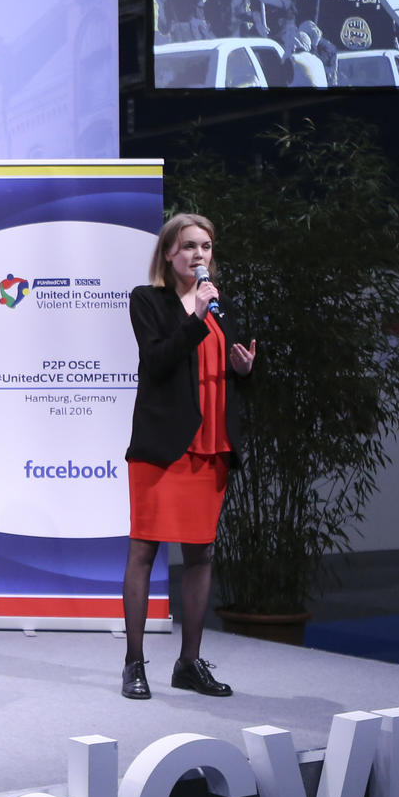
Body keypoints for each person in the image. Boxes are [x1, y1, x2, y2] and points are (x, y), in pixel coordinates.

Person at [120, 214, 256, 701]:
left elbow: (226, 371)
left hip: (212, 445)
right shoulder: (148, 300)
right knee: (144, 551)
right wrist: (195, 318)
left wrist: (245, 370)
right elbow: (157, 361)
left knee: (201, 554)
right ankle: (134, 664)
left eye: (206, 246)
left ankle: (189, 663)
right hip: (163, 446)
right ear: (169, 254)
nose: (200, 255)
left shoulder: (221, 305)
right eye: (189, 246)